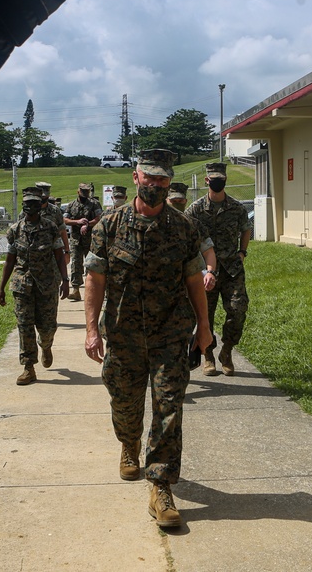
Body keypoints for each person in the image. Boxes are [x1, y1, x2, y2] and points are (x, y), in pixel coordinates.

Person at [84, 149, 213, 529]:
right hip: (123, 333)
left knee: (169, 407)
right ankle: (129, 443)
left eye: (162, 179)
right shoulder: (108, 226)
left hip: (170, 333)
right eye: (149, 177)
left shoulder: (183, 228)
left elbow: (193, 280)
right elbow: (95, 279)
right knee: (124, 402)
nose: (155, 185)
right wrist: (92, 329)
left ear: (169, 181)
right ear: (136, 176)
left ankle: (160, 486)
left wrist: (204, 326)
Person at [0, 187, 70, 385]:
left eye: (34, 203)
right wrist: (1, 288)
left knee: (47, 328)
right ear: (23, 206)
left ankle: (45, 346)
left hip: (47, 284)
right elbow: (10, 261)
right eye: (27, 203)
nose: (30, 207)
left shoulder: (50, 227)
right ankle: (28, 367)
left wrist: (65, 280)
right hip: (22, 285)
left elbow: (58, 255)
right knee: (24, 326)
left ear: (40, 206)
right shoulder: (15, 230)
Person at [185, 162, 252, 377]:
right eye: (213, 178)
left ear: (225, 180)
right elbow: (186, 235)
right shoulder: (195, 209)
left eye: (221, 178)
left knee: (237, 309)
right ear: (206, 180)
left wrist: (242, 252)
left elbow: (245, 229)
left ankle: (227, 351)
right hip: (206, 271)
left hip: (232, 268)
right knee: (206, 314)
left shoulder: (236, 207)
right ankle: (208, 356)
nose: (217, 181)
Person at [167, 181, 218, 295]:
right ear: (166, 200)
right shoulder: (156, 224)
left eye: (180, 201)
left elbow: (208, 251)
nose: (176, 204)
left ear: (185, 201)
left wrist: (210, 272)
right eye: (173, 201)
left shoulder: (194, 225)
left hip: (190, 282)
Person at [63, 182, 102, 300]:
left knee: (92, 265)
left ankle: (95, 290)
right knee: (76, 264)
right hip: (76, 240)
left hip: (91, 240)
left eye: (87, 192)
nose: (85, 194)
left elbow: (99, 218)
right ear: (78, 191)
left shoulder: (94, 204)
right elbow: (65, 219)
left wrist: (87, 225)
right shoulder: (71, 205)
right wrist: (77, 222)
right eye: (83, 191)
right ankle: (75, 290)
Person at [35, 180, 70, 268]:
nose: (43, 199)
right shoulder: (28, 210)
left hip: (53, 254)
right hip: (34, 255)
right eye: (41, 197)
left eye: (45, 197)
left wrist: (67, 251)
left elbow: (63, 231)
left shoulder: (55, 211)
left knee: (55, 280)